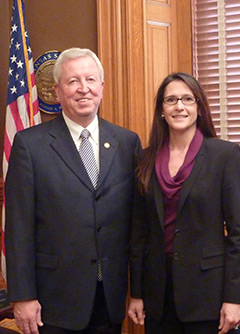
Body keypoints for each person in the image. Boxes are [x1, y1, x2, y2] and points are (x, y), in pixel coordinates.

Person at [5, 47, 142, 334]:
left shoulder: (127, 143)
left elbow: (137, 225)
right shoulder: (30, 145)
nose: (84, 89)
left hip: (110, 297)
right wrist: (23, 295)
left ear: (102, 87)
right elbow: (19, 227)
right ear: (57, 91)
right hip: (54, 301)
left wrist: (138, 289)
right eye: (73, 81)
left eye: (90, 80)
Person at [128, 72, 240, 334]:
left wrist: (234, 297)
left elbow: (238, 234)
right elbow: (139, 233)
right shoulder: (145, 159)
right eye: (171, 100)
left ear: (199, 107)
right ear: (161, 110)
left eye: (187, 99)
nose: (179, 106)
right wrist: (136, 292)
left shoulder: (224, 156)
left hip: (208, 294)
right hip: (158, 294)